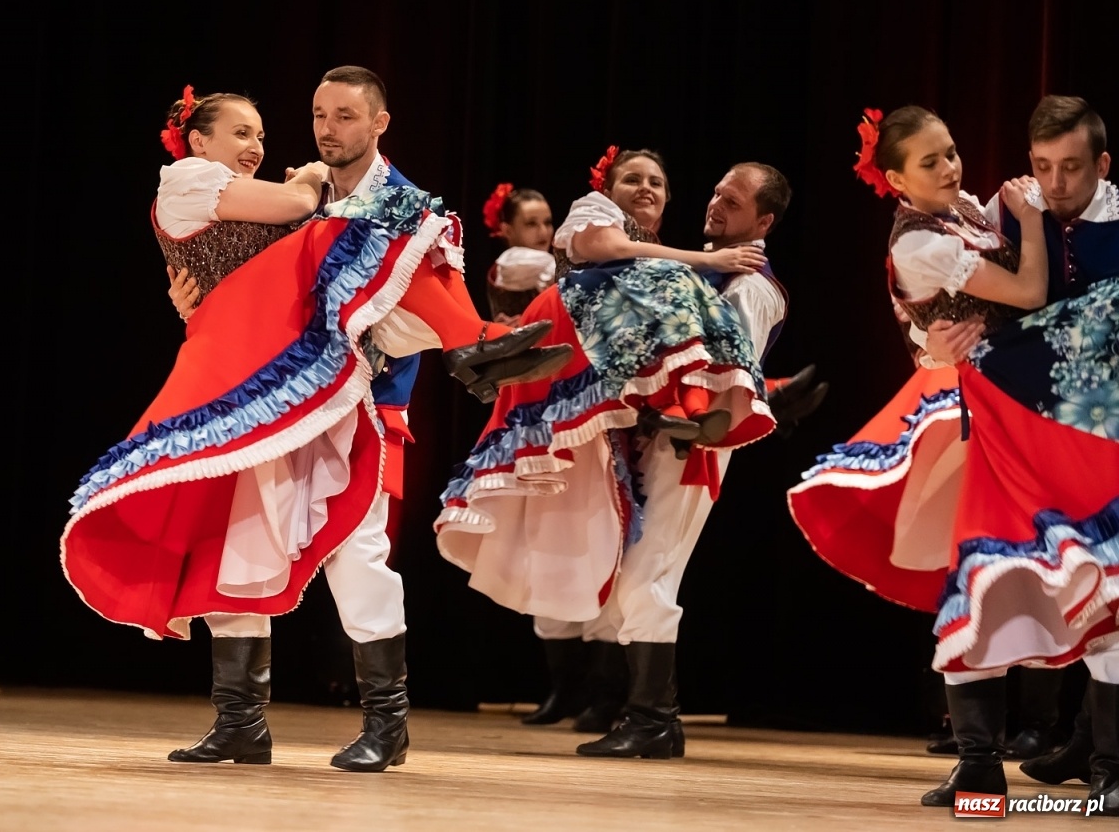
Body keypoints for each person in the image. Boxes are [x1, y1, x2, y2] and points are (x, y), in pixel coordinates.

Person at [63, 73, 569, 773]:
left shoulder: (310, 203)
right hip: (251, 383)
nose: (256, 146)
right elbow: (297, 222)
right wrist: (301, 197)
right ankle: (241, 721)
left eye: (262, 136)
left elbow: (334, 288)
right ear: (198, 139)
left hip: (314, 385)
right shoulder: (195, 180)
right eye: (242, 133)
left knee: (353, 543)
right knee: (239, 542)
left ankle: (385, 723)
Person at [794, 105, 1119, 809]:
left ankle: (1093, 758)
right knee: (977, 571)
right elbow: (1021, 292)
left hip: (1035, 412)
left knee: (1072, 568)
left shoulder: (964, 210)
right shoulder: (921, 239)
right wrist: (1026, 218)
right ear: (894, 179)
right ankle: (980, 759)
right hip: (986, 416)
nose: (950, 168)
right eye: (931, 162)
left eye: (950, 152)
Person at [438, 152, 792, 758]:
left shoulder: (751, 287)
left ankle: (653, 718)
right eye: (714, 192)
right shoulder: (686, 269)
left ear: (762, 224)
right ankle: (652, 718)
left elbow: (730, 372)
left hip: (694, 446)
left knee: (647, 576)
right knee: (634, 575)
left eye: (733, 202)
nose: (716, 204)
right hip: (661, 436)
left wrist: (680, 422)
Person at [481, 183, 557, 325]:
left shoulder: (547, 264)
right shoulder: (511, 262)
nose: (543, 232)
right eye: (531, 224)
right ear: (508, 230)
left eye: (547, 223)